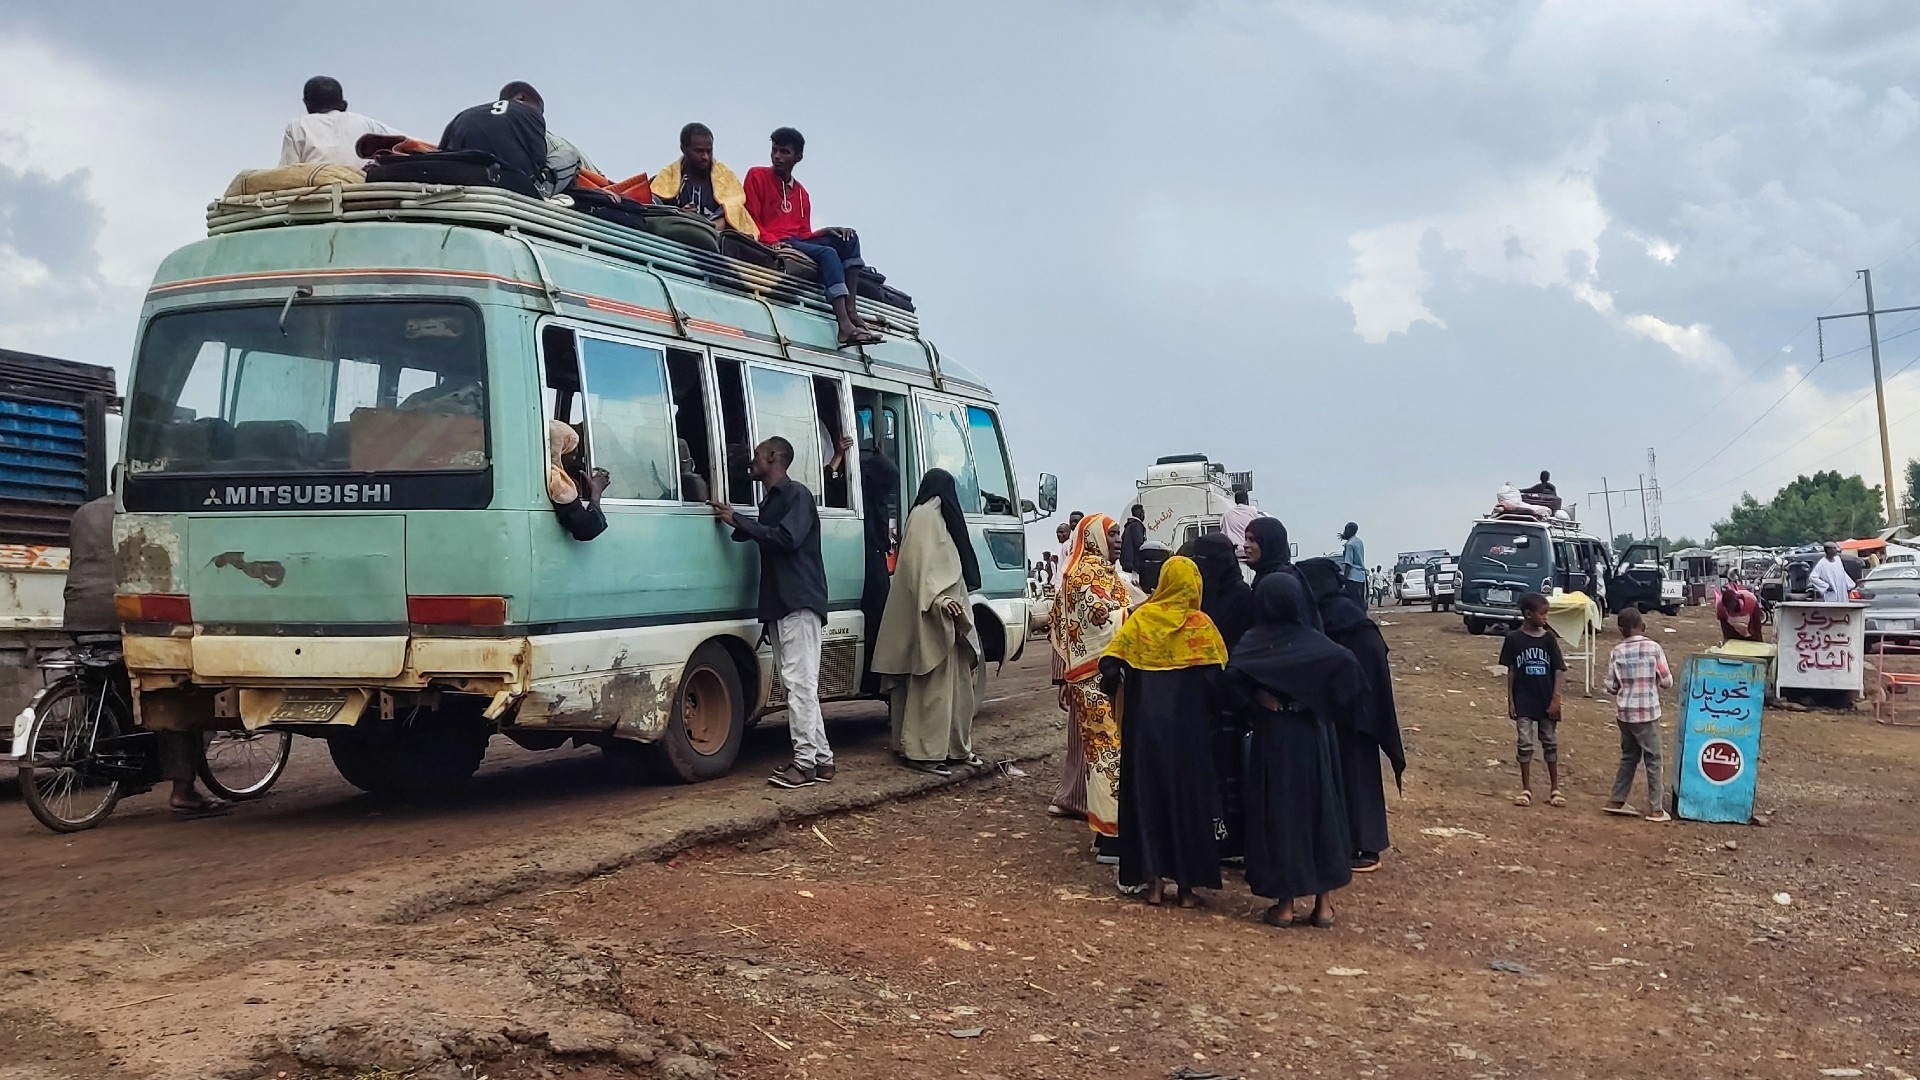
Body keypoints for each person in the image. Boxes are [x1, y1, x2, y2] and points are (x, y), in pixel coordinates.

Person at [63, 495, 229, 817]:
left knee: (110, 688)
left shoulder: (84, 513)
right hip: (124, 614)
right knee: (173, 688)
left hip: (79, 614)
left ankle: (125, 768)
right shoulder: (148, 510)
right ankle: (184, 790)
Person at [1220, 573, 1359, 929]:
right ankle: (1323, 906)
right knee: (1321, 810)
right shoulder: (1316, 642)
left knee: (1281, 813)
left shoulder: (1257, 640)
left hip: (1276, 738)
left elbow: (1231, 679)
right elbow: (1348, 671)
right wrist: (1320, 703)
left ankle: (1284, 905)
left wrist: (1257, 700)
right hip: (1314, 737)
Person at [1096, 556, 1228, 907]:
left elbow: (1108, 663)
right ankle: (1187, 889)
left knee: (1148, 799)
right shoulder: (1201, 627)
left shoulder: (1142, 621)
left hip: (1145, 732)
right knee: (1188, 802)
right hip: (1190, 735)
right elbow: (1218, 683)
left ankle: (1153, 885)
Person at [711, 437, 832, 788]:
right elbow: (769, 533)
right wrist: (738, 522)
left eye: (758, 455)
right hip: (783, 603)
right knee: (799, 685)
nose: (752, 461)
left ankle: (805, 764)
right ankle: (822, 761)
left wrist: (738, 520)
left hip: (798, 601)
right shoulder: (774, 500)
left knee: (799, 686)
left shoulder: (796, 495)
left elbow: (786, 538)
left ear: (774, 457)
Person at [1299, 558, 1407, 874]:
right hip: (1353, 712)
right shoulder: (1347, 614)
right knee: (1352, 777)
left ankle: (1367, 846)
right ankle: (1352, 842)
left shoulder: (1340, 620)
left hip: (1354, 715)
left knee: (1356, 778)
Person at [873, 469, 983, 775]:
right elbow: (920, 573)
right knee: (930, 689)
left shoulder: (932, 520)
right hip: (931, 619)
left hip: (951, 619)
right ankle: (924, 752)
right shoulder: (925, 519)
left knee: (957, 689)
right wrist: (938, 601)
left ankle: (954, 749)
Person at [742, 128, 882, 347]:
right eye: (775, 150)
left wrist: (826, 232)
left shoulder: (801, 194)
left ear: (798, 157)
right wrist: (771, 241)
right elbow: (750, 218)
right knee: (828, 253)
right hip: (778, 241)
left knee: (849, 238)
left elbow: (803, 232)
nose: (777, 156)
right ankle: (844, 325)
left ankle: (852, 309)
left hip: (798, 241)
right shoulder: (756, 176)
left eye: (784, 152)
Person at [1050, 513, 1132, 860]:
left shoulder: (1101, 573)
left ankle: (1104, 832)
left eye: (1119, 535)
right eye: (1112, 534)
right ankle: (1111, 837)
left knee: (1104, 756)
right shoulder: (1086, 577)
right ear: (1096, 537)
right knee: (1108, 756)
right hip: (1095, 679)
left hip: (1097, 678)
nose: (1117, 540)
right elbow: (1105, 623)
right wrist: (1139, 615)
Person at [1190, 533, 1258, 861]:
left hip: (1231, 694)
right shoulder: (1199, 596)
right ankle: (1214, 834)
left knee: (1232, 767)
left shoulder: (1241, 596)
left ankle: (1236, 839)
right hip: (1204, 696)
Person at [1601, 607, 1674, 822]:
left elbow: (1612, 686)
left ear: (1620, 629)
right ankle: (1656, 809)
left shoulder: (1617, 651)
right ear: (1642, 626)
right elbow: (1667, 681)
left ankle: (1616, 799)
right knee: (1653, 759)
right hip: (1648, 712)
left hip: (1625, 713)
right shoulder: (1653, 648)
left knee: (1629, 756)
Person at [1500, 592, 1566, 808]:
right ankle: (1526, 788)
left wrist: (1556, 698)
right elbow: (1511, 671)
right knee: (1525, 743)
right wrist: (1510, 701)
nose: (1545, 617)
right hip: (1524, 700)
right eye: (1543, 613)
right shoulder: (1513, 639)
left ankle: (1555, 788)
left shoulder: (1549, 639)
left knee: (1549, 741)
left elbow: (1558, 670)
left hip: (1546, 699)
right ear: (1528, 614)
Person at [651, 123, 758, 236]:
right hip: (677, 231)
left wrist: (707, 225)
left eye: (709, 151)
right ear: (683, 149)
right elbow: (656, 207)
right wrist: (681, 213)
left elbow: (734, 209)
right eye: (699, 151)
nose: (705, 157)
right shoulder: (668, 176)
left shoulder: (726, 177)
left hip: (713, 237)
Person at [440, 85, 550, 191]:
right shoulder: (530, 114)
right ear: (521, 97)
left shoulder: (465, 114)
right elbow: (539, 158)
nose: (540, 115)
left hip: (462, 176)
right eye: (540, 110)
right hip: (507, 180)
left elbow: (442, 151)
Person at [280, 76, 399, 168]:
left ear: (307, 104)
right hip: (364, 192)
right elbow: (407, 146)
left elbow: (288, 171)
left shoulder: (297, 126)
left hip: (316, 194)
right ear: (344, 105)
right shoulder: (368, 124)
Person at [1243, 517, 1321, 630]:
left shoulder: (1282, 580)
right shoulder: (1264, 574)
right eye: (1245, 539)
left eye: (1252, 540)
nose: (1245, 545)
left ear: (1269, 543)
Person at [546, 421, 609, 541]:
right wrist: (595, 494)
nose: (575, 453)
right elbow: (586, 528)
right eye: (570, 446)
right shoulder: (557, 482)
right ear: (559, 450)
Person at [1715, 578, 1765, 642]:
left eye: (1732, 608)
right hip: (1732, 628)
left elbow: (1757, 626)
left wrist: (1759, 641)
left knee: (1754, 635)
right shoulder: (1720, 607)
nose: (1731, 611)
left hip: (1750, 615)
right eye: (1728, 609)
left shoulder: (1751, 601)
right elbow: (1725, 629)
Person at [1220, 488, 1259, 557]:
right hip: (1250, 551)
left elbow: (1223, 533)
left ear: (1235, 501)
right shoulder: (1252, 511)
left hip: (1234, 552)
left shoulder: (1227, 514)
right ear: (1246, 500)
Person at [1338, 522, 1368, 606]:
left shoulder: (1349, 545)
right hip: (1361, 577)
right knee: (1360, 603)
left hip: (1352, 578)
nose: (1344, 532)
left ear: (1350, 531)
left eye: (1345, 530)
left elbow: (1348, 564)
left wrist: (1344, 580)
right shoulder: (1359, 542)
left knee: (1352, 604)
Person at [1119, 505, 1147, 576]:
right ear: (1140, 513)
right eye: (1143, 512)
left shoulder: (1129, 525)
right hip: (1135, 562)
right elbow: (1138, 543)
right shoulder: (1137, 525)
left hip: (1128, 561)